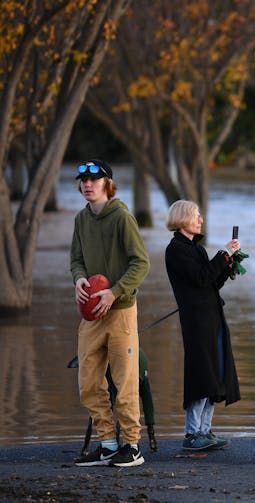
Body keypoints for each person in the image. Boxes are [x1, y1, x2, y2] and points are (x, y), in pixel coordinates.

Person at [70, 159, 150, 467]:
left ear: (107, 184)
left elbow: (141, 263)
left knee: (125, 382)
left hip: (121, 312)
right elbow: (76, 259)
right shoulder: (81, 219)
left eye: (94, 180)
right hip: (91, 315)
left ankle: (132, 446)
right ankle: (107, 443)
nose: (87, 185)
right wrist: (78, 278)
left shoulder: (122, 218)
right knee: (88, 382)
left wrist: (114, 291)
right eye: (83, 181)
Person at [164, 200, 241, 451]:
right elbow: (199, 278)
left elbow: (210, 283)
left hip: (212, 317)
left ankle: (205, 431)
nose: (200, 220)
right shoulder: (176, 249)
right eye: (196, 216)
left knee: (215, 373)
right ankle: (192, 433)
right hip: (196, 321)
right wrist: (223, 255)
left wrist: (227, 264)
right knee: (201, 373)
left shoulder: (196, 248)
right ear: (183, 218)